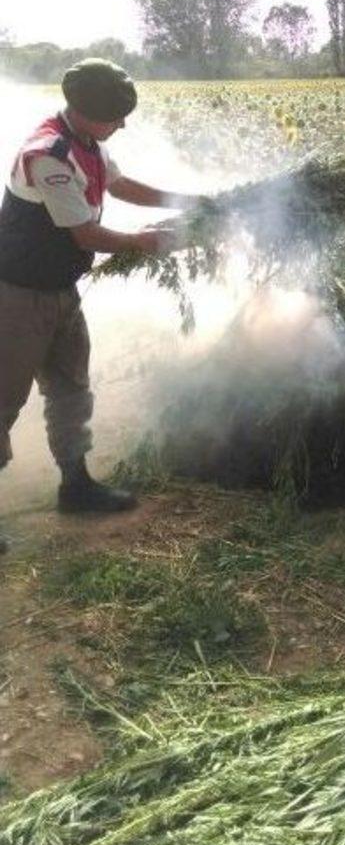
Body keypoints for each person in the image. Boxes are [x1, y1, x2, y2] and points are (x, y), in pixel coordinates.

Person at [0, 58, 204, 553]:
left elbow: (121, 185)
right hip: (18, 296)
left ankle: (76, 485)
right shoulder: (48, 154)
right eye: (115, 115)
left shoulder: (89, 143)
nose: (122, 123)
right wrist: (150, 243)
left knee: (71, 389)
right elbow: (86, 233)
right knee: (2, 400)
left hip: (61, 290)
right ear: (84, 111)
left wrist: (186, 203)